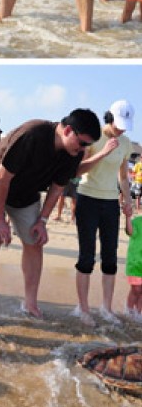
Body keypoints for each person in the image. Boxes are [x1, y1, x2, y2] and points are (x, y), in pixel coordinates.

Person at [0, 109, 101, 334]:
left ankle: (30, 303)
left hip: (26, 193)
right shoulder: (33, 134)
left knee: (34, 240)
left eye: (86, 146)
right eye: (81, 143)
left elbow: (58, 187)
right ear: (68, 130)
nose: (82, 150)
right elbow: (2, 177)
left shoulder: (74, 151)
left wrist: (43, 220)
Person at [73, 101, 134, 326]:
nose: (121, 130)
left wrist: (127, 199)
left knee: (110, 258)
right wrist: (103, 152)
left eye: (125, 126)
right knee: (86, 257)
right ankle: (83, 308)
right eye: (118, 125)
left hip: (110, 204)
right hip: (87, 199)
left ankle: (106, 308)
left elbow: (123, 176)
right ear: (108, 118)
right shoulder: (94, 136)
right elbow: (78, 170)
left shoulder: (126, 143)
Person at [125, 211, 142, 321]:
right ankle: (129, 312)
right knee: (136, 290)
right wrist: (127, 217)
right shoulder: (137, 221)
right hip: (135, 264)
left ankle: (138, 315)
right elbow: (130, 231)